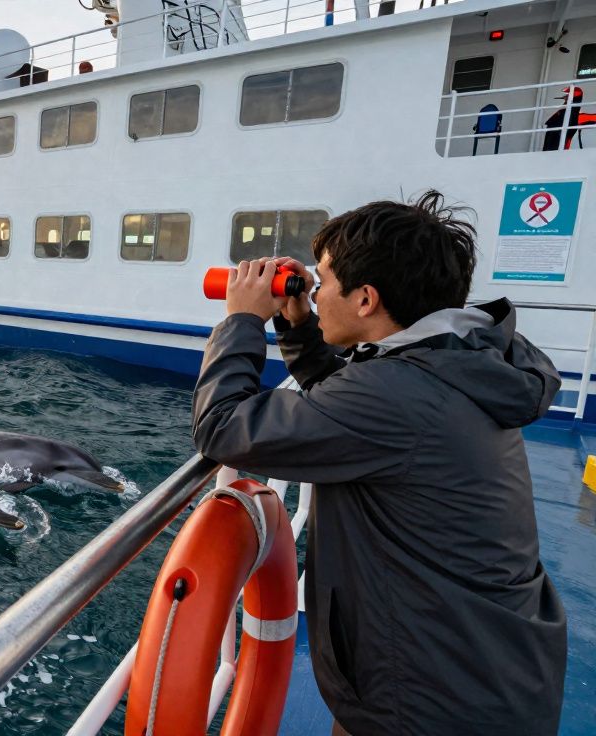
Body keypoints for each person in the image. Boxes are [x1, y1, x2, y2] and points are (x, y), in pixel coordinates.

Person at [191, 191, 567, 735]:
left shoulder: (398, 391)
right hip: (477, 669)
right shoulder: (448, 364)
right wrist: (296, 326)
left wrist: (243, 320)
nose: (315, 295)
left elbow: (223, 428)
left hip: (429, 700)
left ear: (365, 299)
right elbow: (350, 417)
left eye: (321, 283)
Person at [542, 85, 583, 151]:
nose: (565, 97)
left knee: (553, 150)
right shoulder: (567, 108)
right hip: (554, 133)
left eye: (568, 95)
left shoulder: (572, 109)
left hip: (558, 134)